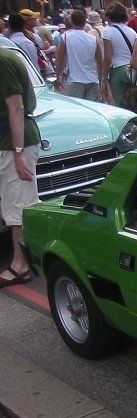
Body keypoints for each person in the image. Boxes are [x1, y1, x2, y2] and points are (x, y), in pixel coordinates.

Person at [0, 46, 41, 288]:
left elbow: (16, 107)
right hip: (8, 143)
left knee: (19, 204)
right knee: (12, 201)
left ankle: (21, 265)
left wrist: (18, 152)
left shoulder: (3, 60)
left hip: (14, 143)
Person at [55, 10, 103, 102]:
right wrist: (101, 80)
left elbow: (59, 60)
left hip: (75, 80)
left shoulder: (65, 38)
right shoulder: (93, 39)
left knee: (78, 109)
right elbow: (100, 62)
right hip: (92, 80)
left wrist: (58, 77)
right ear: (85, 22)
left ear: (72, 22)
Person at [101, 2, 137, 109]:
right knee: (132, 103)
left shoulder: (107, 31)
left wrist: (103, 79)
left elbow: (107, 58)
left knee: (118, 104)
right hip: (132, 70)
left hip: (117, 69)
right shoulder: (132, 31)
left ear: (109, 16)